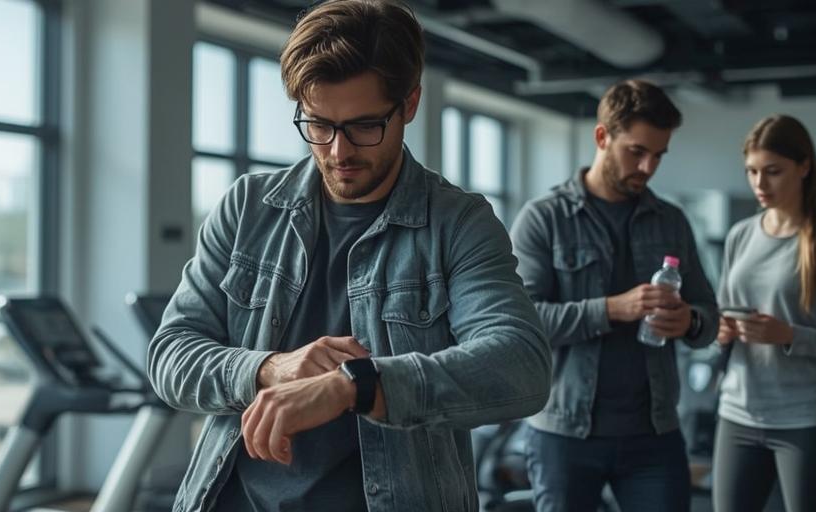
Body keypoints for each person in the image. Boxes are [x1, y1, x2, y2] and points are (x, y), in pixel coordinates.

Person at [146, 2, 551, 511]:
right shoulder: (247, 206)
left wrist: (354, 386)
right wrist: (271, 368)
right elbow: (170, 355)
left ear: (409, 104)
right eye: (318, 125)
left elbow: (521, 365)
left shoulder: (458, 223)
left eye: (363, 126)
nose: (338, 152)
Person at [510, 79, 719, 512]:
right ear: (603, 137)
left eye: (658, 156)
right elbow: (521, 322)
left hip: (654, 434)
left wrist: (690, 322)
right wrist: (611, 309)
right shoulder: (543, 219)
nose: (648, 167)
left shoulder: (671, 221)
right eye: (636, 151)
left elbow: (709, 317)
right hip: (564, 433)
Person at [714, 114, 816, 512]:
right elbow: (722, 315)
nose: (759, 185)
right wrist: (719, 333)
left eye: (773, 171)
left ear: (804, 167)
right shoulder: (740, 235)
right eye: (751, 171)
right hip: (737, 413)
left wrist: (789, 335)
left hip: (808, 420)